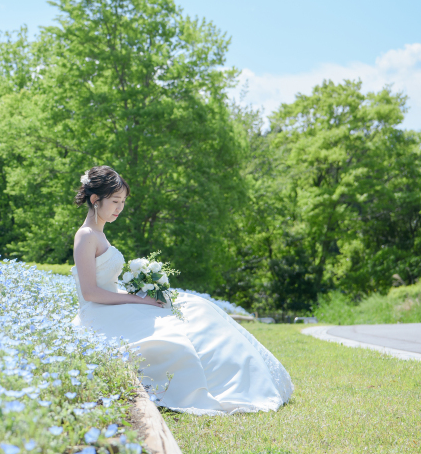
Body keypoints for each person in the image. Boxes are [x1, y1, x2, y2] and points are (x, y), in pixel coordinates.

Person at [71, 165, 293, 415]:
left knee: (197, 308)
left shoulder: (99, 234)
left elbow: (106, 284)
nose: (120, 208)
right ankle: (216, 384)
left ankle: (242, 377)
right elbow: (90, 292)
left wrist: (142, 293)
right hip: (99, 314)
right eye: (115, 201)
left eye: (122, 201)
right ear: (94, 200)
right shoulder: (86, 235)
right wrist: (139, 299)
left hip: (114, 306)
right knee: (175, 332)